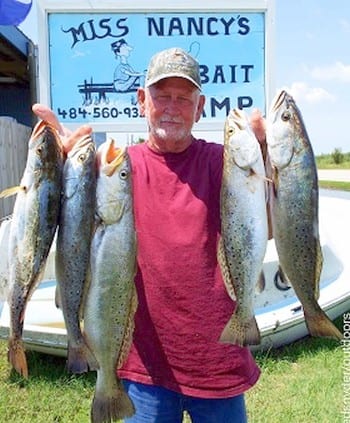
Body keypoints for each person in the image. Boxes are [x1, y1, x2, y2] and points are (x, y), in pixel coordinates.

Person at [33, 47, 267, 423]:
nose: (172, 107)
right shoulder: (116, 167)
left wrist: (267, 154)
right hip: (144, 366)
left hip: (218, 358)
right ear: (142, 101)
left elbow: (262, 228)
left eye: (183, 98)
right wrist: (60, 167)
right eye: (161, 96)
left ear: (200, 106)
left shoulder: (223, 163)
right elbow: (64, 218)